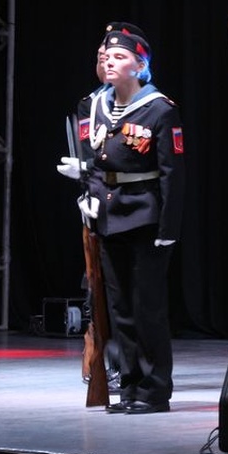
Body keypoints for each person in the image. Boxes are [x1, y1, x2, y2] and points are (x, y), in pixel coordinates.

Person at [78, 23, 185, 414]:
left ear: (140, 66)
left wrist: (169, 228)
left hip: (145, 217)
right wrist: (89, 197)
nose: (109, 61)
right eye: (107, 55)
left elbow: (173, 173)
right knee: (120, 308)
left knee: (146, 308)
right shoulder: (99, 106)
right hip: (109, 214)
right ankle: (129, 386)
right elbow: (96, 162)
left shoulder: (160, 109)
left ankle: (154, 390)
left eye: (120, 56)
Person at [56, 33, 121, 390]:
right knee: (95, 282)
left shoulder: (140, 102)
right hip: (96, 203)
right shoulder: (89, 105)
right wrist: (85, 179)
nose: (103, 62)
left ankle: (127, 364)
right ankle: (97, 349)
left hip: (127, 203)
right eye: (99, 56)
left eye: (110, 55)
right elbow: (86, 152)